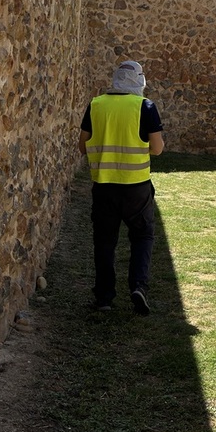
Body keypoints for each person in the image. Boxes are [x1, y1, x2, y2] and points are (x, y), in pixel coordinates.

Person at [78, 60, 165, 315]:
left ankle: (104, 297)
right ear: (139, 81)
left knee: (105, 241)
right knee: (142, 236)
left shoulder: (96, 105)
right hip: (136, 187)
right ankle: (138, 286)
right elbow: (157, 149)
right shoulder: (145, 107)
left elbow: (82, 146)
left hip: (104, 186)